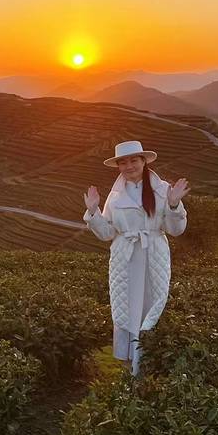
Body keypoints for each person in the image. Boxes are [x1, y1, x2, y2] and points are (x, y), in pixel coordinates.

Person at [83, 140, 190, 376]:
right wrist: (93, 212)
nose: (129, 166)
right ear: (118, 166)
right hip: (125, 257)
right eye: (123, 162)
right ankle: (128, 363)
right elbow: (108, 233)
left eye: (133, 160)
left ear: (143, 161)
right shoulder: (115, 196)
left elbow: (175, 230)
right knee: (126, 306)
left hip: (153, 253)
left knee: (151, 304)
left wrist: (174, 205)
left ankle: (150, 360)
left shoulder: (162, 190)